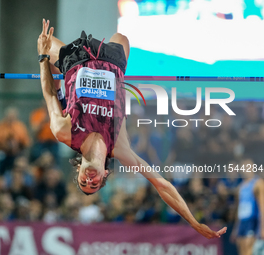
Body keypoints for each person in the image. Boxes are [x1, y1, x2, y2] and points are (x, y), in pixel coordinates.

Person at [37, 19, 226, 239]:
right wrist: (194, 222)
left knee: (44, 45)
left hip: (78, 60)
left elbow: (48, 94)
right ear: (105, 174)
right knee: (123, 39)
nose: (89, 180)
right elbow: (161, 185)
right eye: (94, 184)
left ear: (78, 170)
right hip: (111, 62)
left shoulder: (64, 132)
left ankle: (59, 81)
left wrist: (42, 58)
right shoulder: (120, 147)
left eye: (83, 182)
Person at [231, 158, 264, 255]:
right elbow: (238, 210)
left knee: (249, 249)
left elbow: (262, 207)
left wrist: (262, 227)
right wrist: (235, 229)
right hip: (242, 222)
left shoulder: (258, 183)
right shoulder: (240, 187)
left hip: (252, 221)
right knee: (241, 250)